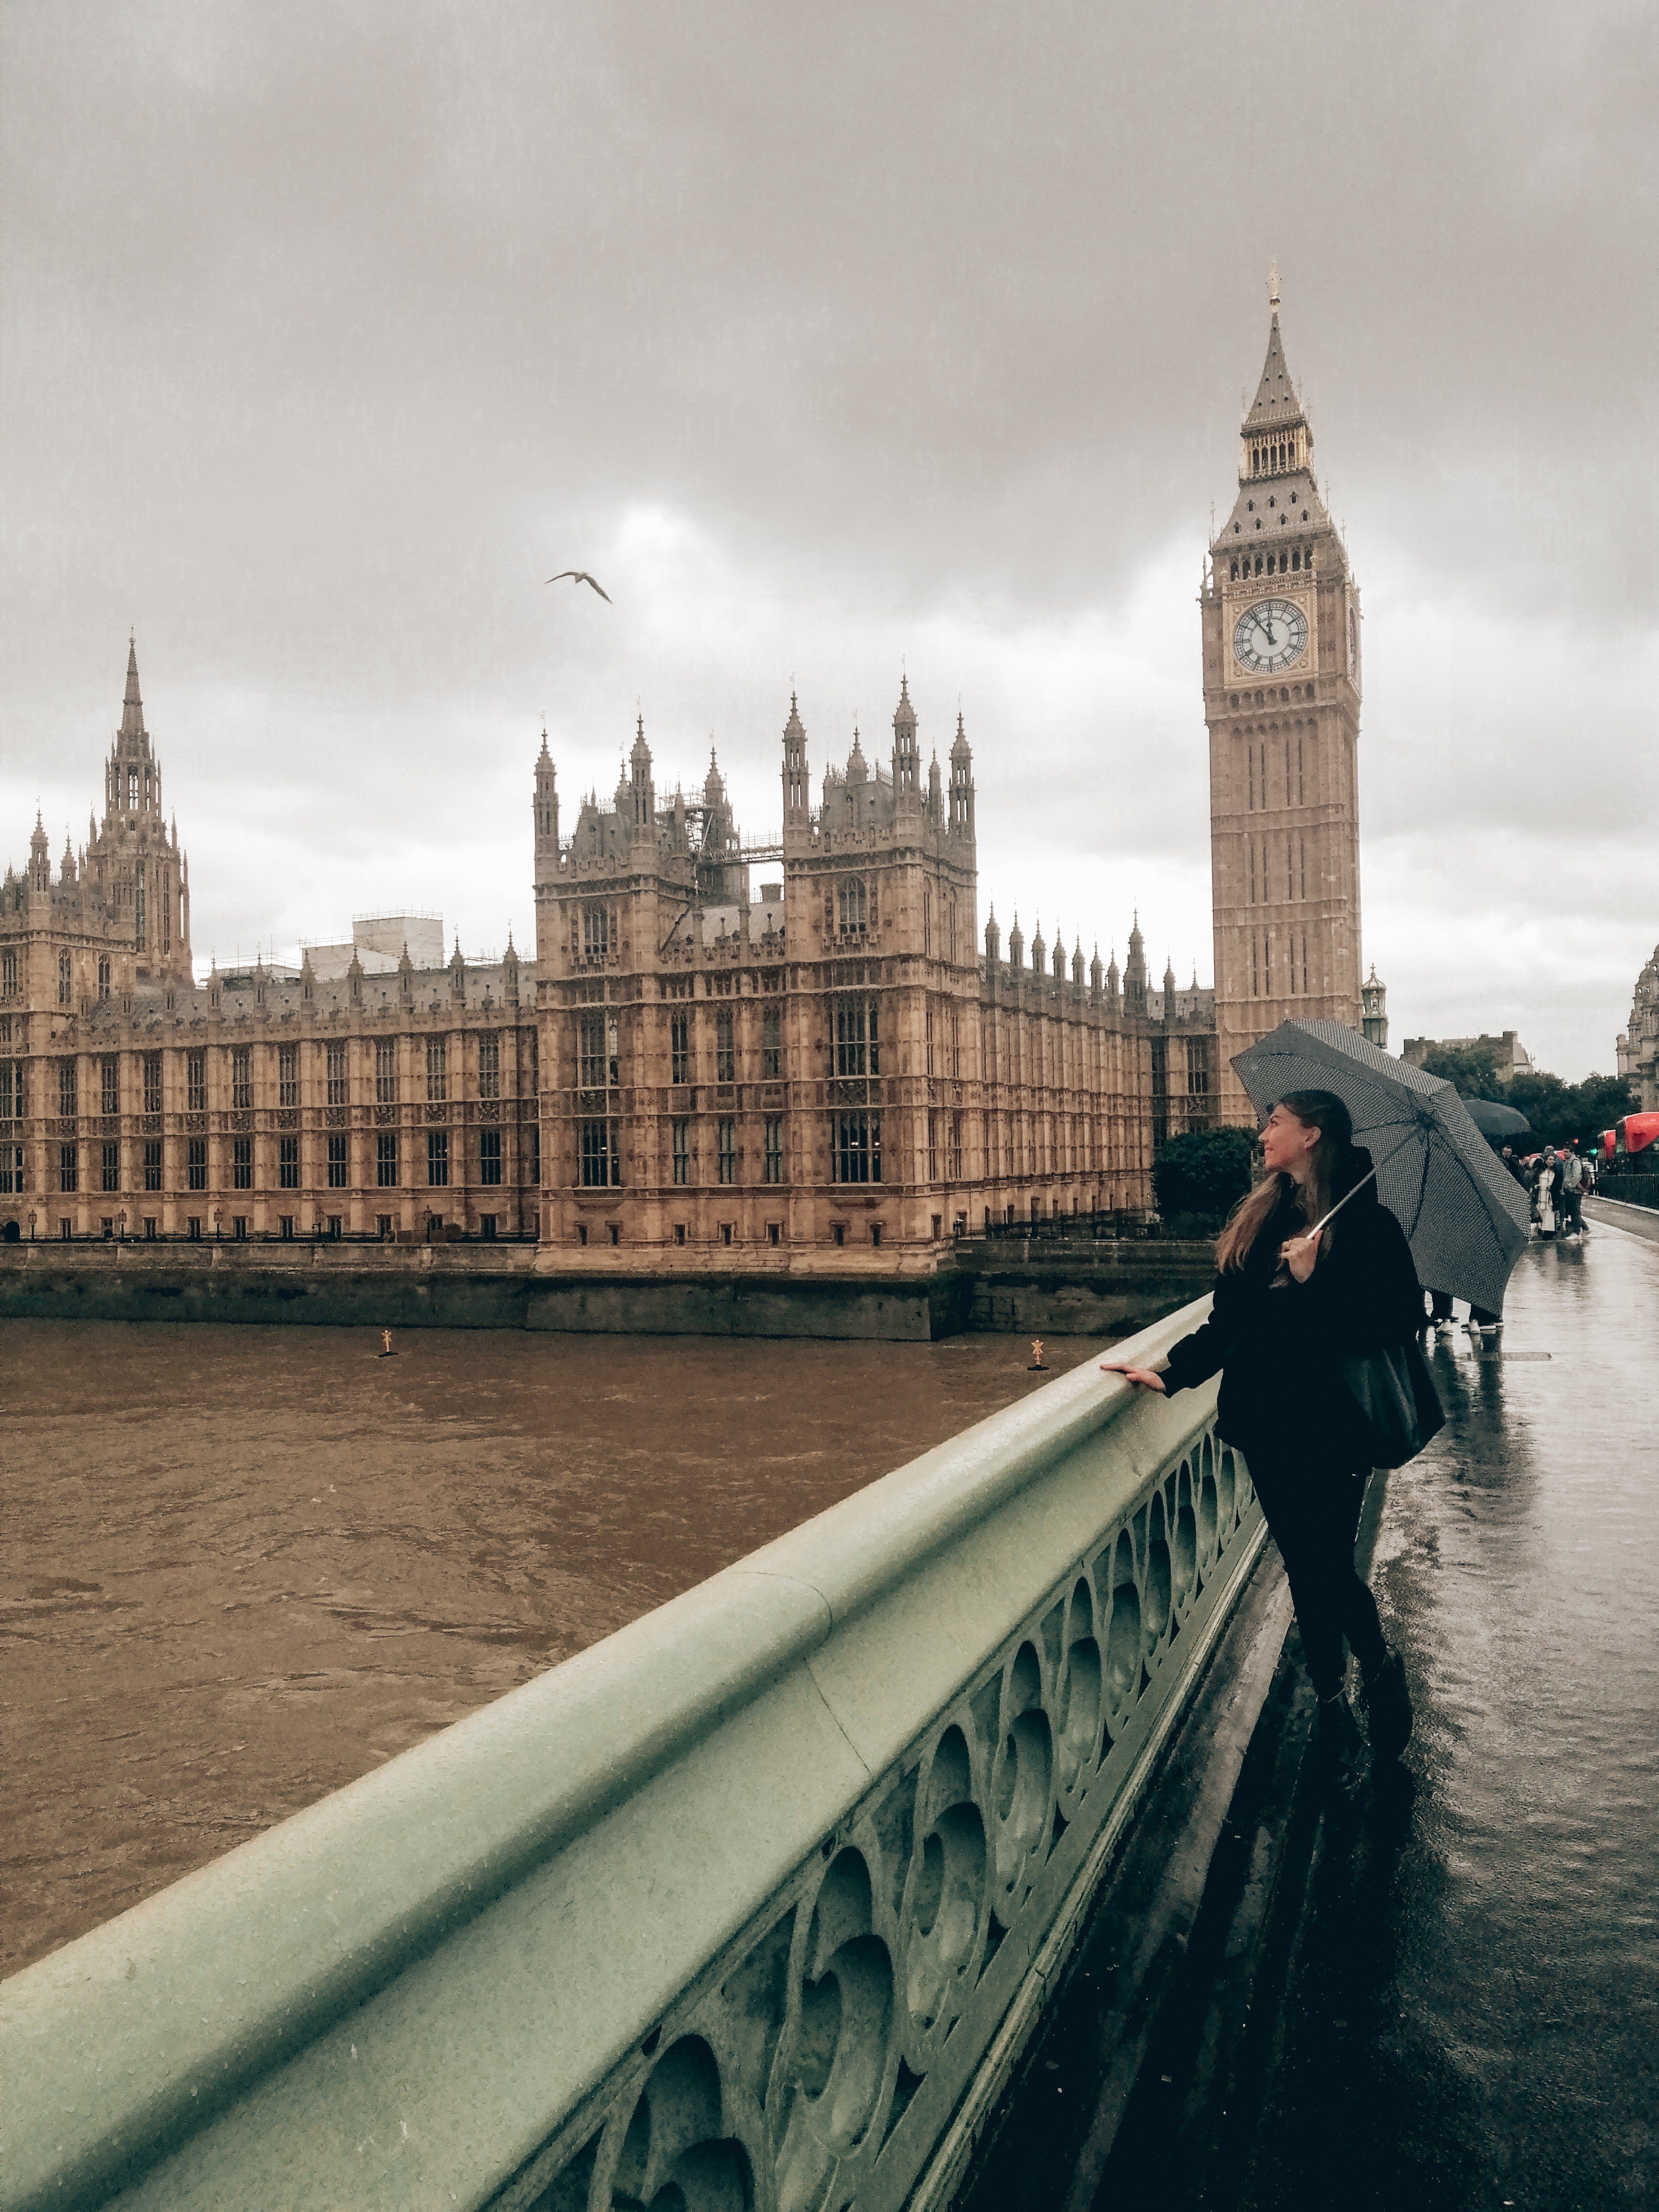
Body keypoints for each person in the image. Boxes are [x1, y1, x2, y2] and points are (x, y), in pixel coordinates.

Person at [1102, 1090, 1419, 1781]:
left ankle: (1375, 1665)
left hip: (1336, 1424)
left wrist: (1317, 1280)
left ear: (1311, 1135)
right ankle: (1336, 1704)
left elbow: (1394, 1324)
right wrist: (1172, 1373)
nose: (1263, 1131)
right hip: (1267, 1424)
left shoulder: (1372, 1227)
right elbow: (1230, 1323)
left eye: (1275, 1122)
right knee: (1307, 1564)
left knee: (1326, 1564)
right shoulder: (1258, 1217)